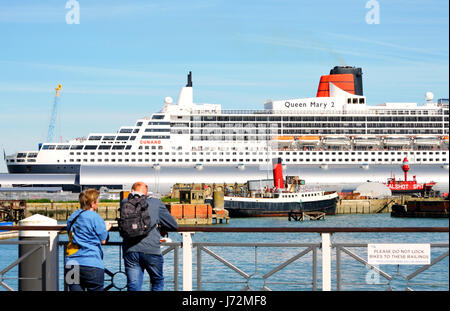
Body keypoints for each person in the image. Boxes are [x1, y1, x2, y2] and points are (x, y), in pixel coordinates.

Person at [121, 182, 178, 291]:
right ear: (146, 193)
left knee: (133, 285)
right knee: (157, 281)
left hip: (130, 250)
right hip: (151, 249)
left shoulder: (124, 202)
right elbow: (173, 225)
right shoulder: (156, 203)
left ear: (132, 191)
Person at [64, 188, 112, 291]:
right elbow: (103, 240)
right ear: (93, 203)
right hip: (91, 263)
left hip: (71, 263)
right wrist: (106, 229)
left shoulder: (73, 216)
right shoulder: (94, 217)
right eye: (97, 201)